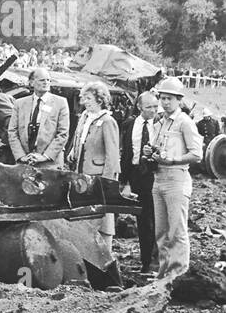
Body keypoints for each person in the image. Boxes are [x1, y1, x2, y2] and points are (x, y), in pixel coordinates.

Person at [145, 77, 204, 280]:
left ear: (179, 99)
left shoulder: (185, 123)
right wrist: (150, 151)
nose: (165, 102)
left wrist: (174, 160)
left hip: (176, 179)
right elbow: (158, 148)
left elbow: (197, 154)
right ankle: (164, 273)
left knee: (177, 230)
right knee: (161, 231)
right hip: (159, 178)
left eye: (169, 98)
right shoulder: (160, 122)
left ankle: (178, 275)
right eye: (162, 98)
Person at [68, 82, 121, 255]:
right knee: (83, 215)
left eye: (89, 98)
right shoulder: (84, 117)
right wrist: (72, 153)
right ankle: (84, 253)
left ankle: (105, 255)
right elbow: (78, 139)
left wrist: (107, 182)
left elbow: (112, 156)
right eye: (84, 98)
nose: (85, 102)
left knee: (103, 216)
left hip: (97, 176)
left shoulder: (107, 121)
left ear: (100, 99)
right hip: (81, 175)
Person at [120, 91, 160, 275]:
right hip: (136, 176)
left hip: (155, 175)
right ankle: (146, 261)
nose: (153, 110)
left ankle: (154, 261)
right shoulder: (129, 124)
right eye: (149, 107)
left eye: (155, 106)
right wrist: (124, 180)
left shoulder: (161, 125)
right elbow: (127, 154)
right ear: (139, 107)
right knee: (142, 219)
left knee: (155, 219)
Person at [8, 67, 70, 168]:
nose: (46, 82)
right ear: (31, 82)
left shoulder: (60, 103)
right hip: (25, 161)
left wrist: (45, 156)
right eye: (42, 80)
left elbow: (63, 134)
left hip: (50, 163)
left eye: (48, 80)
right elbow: (12, 132)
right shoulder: (19, 103)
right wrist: (21, 156)